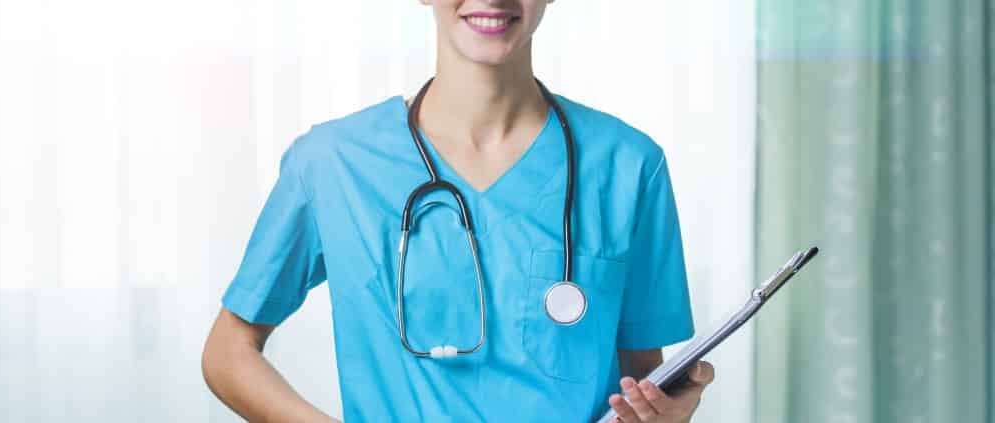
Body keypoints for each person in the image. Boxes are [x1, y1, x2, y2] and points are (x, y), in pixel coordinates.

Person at [201, 1, 714, 421]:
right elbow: (228, 352)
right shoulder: (333, 163)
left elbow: (641, 377)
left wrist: (668, 412)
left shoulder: (628, 165)